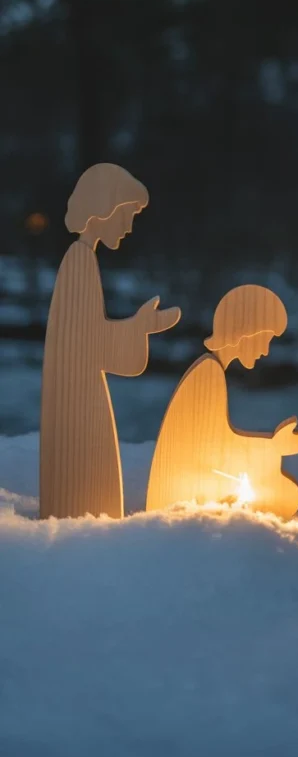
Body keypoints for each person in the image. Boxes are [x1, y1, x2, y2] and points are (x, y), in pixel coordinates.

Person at [40, 163, 181, 519]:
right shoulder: (79, 262)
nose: (130, 226)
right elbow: (85, 344)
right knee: (82, 492)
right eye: (128, 214)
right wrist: (138, 328)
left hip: (83, 395)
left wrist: (137, 327)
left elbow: (86, 337)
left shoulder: (82, 260)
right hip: (77, 404)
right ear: (105, 208)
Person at [146, 285, 298, 520]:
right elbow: (212, 446)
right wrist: (273, 447)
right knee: (281, 495)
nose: (266, 351)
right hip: (178, 500)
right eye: (265, 339)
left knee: (281, 493)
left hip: (195, 482)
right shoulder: (207, 375)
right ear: (244, 333)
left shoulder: (211, 371)